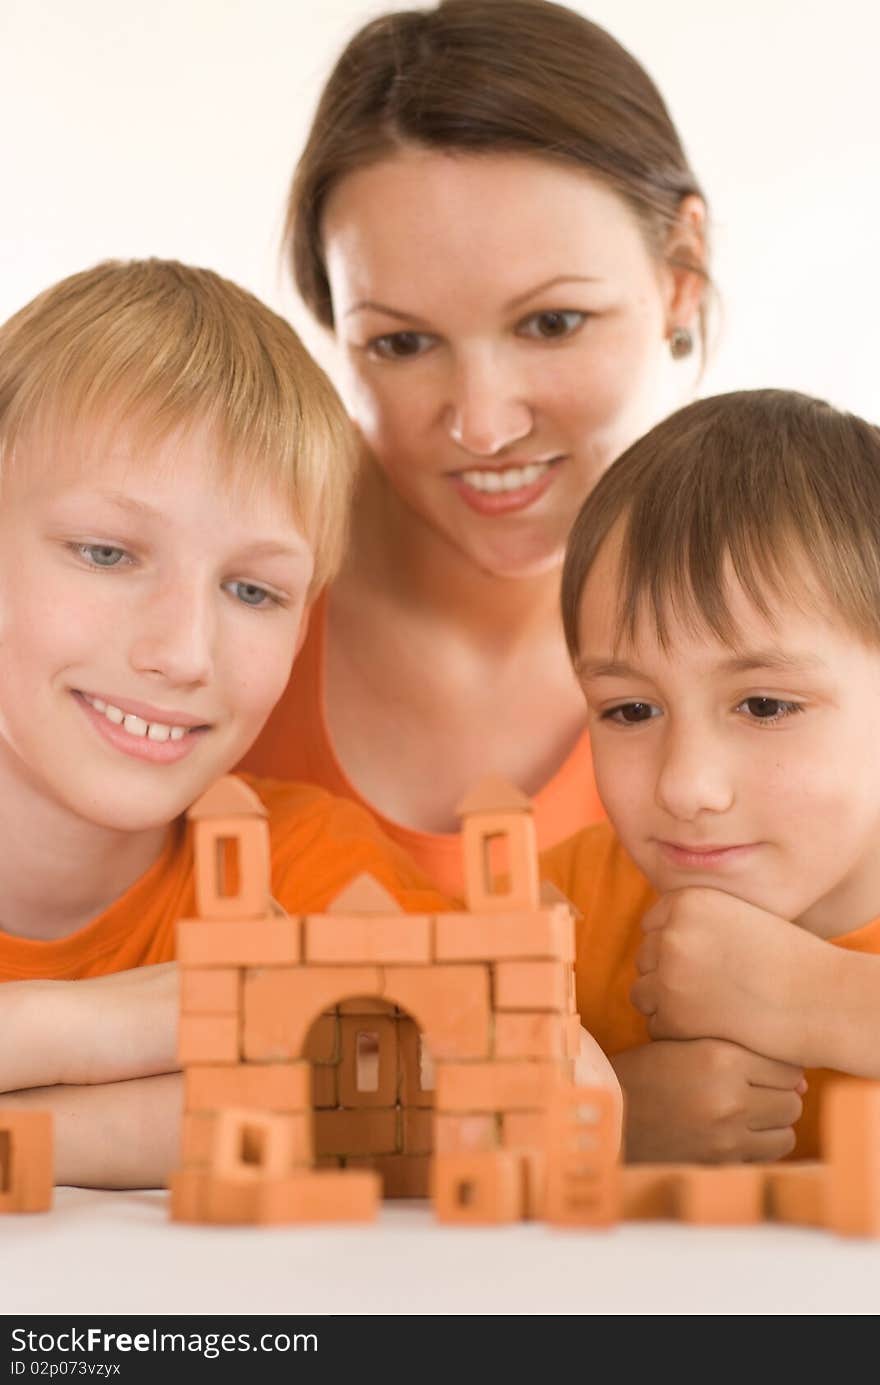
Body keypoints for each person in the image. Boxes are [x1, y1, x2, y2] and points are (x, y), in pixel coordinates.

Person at [239, 0, 709, 896]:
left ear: (680, 272)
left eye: (551, 323)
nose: (484, 425)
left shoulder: (816, 591)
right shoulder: (188, 557)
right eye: (403, 343)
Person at [0, 258, 450, 1189]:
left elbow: (559, 1089)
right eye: (105, 552)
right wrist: (132, 1022)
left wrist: (54, 1136)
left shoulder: (293, 862)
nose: (185, 651)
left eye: (253, 589)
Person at [541, 388, 880, 1162]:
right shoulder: (565, 911)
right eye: (629, 710)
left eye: (764, 704)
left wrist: (818, 998)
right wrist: (608, 1114)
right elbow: (382, 1098)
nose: (685, 787)